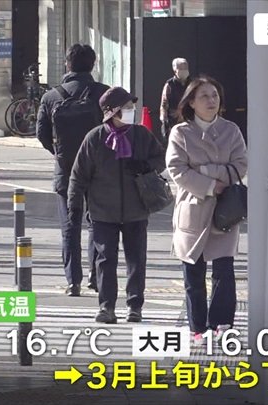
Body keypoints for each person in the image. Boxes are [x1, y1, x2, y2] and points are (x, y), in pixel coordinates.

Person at [68, 86, 165, 323]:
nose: (132, 111)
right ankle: (106, 307)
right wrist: (74, 207)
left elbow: (161, 158)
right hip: (103, 211)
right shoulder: (95, 138)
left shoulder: (141, 135)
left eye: (132, 107)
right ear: (112, 112)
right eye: (126, 107)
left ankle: (135, 305)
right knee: (105, 260)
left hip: (136, 209)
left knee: (136, 259)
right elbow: (78, 176)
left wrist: (145, 166)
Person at [165, 76, 247, 344]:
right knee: (193, 271)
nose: (211, 101)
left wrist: (203, 170)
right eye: (204, 96)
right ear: (191, 102)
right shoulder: (181, 133)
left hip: (225, 210)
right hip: (193, 206)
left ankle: (222, 322)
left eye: (215, 95)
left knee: (224, 270)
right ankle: (197, 327)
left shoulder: (231, 130)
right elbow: (177, 170)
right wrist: (211, 184)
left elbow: (240, 165)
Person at [36, 44, 110, 297]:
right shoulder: (103, 93)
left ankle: (72, 281)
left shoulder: (51, 97)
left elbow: (42, 134)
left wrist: (60, 153)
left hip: (65, 170)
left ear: (67, 64)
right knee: (97, 223)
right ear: (93, 64)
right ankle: (95, 275)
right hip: (98, 170)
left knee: (70, 226)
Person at [160, 57, 191, 145]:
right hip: (174, 121)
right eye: (181, 68)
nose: (184, 71)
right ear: (175, 70)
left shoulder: (192, 84)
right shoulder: (170, 85)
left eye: (185, 68)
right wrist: (164, 120)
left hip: (189, 119)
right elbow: (164, 104)